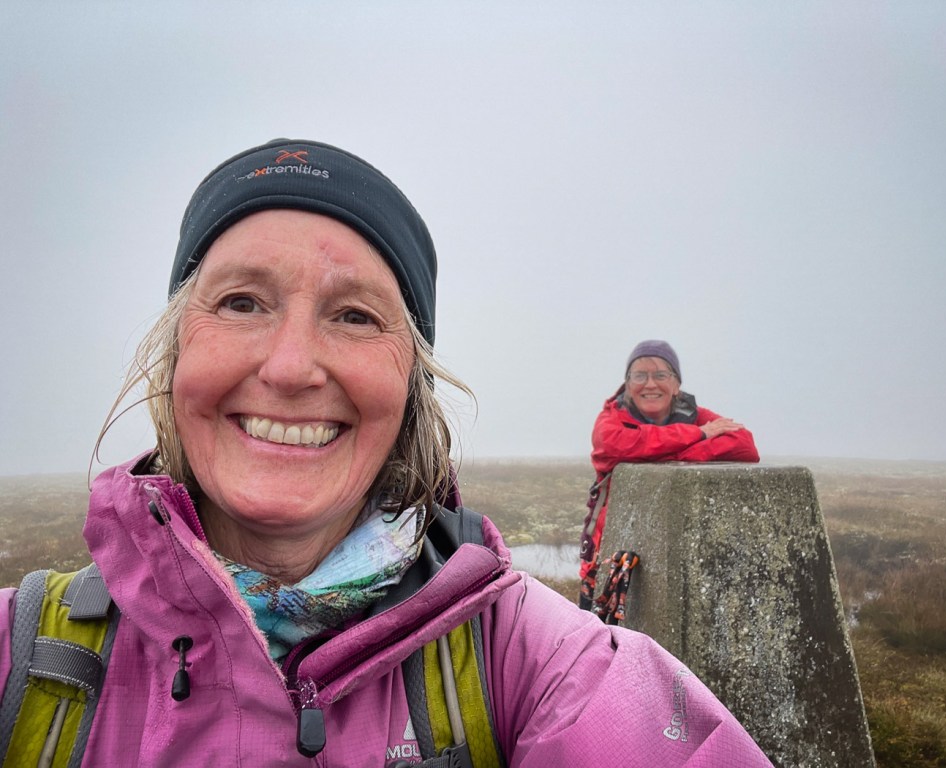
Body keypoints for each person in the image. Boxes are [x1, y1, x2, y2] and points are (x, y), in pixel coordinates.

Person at [0, 140, 772, 766]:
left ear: (411, 386)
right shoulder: (22, 655)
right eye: (241, 302)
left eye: (355, 316)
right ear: (175, 354)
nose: (290, 367)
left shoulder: (537, 666)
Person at [579, 340, 760, 610]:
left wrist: (662, 454)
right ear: (627, 384)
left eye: (661, 375)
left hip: (672, 554)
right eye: (640, 375)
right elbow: (613, 444)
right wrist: (697, 435)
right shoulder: (612, 418)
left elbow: (744, 444)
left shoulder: (694, 414)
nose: (650, 384)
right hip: (608, 559)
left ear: (676, 385)